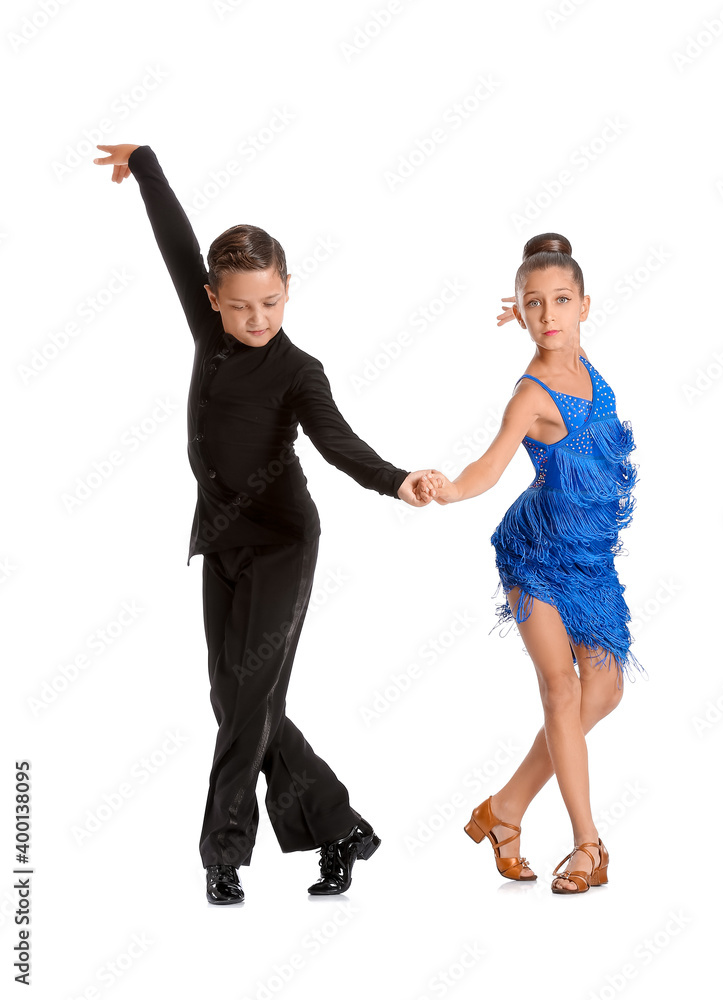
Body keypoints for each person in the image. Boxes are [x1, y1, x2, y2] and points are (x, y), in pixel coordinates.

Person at [93, 142, 436, 904]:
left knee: (248, 701)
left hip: (283, 542)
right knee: (236, 698)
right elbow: (177, 243)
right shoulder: (210, 329)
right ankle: (340, 826)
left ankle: (223, 854)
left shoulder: (298, 370)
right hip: (221, 540)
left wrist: (397, 480)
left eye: (271, 304)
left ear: (289, 292)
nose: (256, 320)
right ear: (214, 299)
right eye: (241, 305)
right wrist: (147, 165)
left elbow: (338, 441)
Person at [416, 233, 645, 894]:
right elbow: (489, 465)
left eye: (560, 301)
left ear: (584, 306)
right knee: (562, 691)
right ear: (517, 315)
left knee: (605, 690)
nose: (549, 314)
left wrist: (530, 284)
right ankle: (588, 847)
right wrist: (450, 488)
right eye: (533, 305)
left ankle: (504, 810)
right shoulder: (531, 395)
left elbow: (552, 301)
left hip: (589, 559)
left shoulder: (582, 361)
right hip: (536, 555)